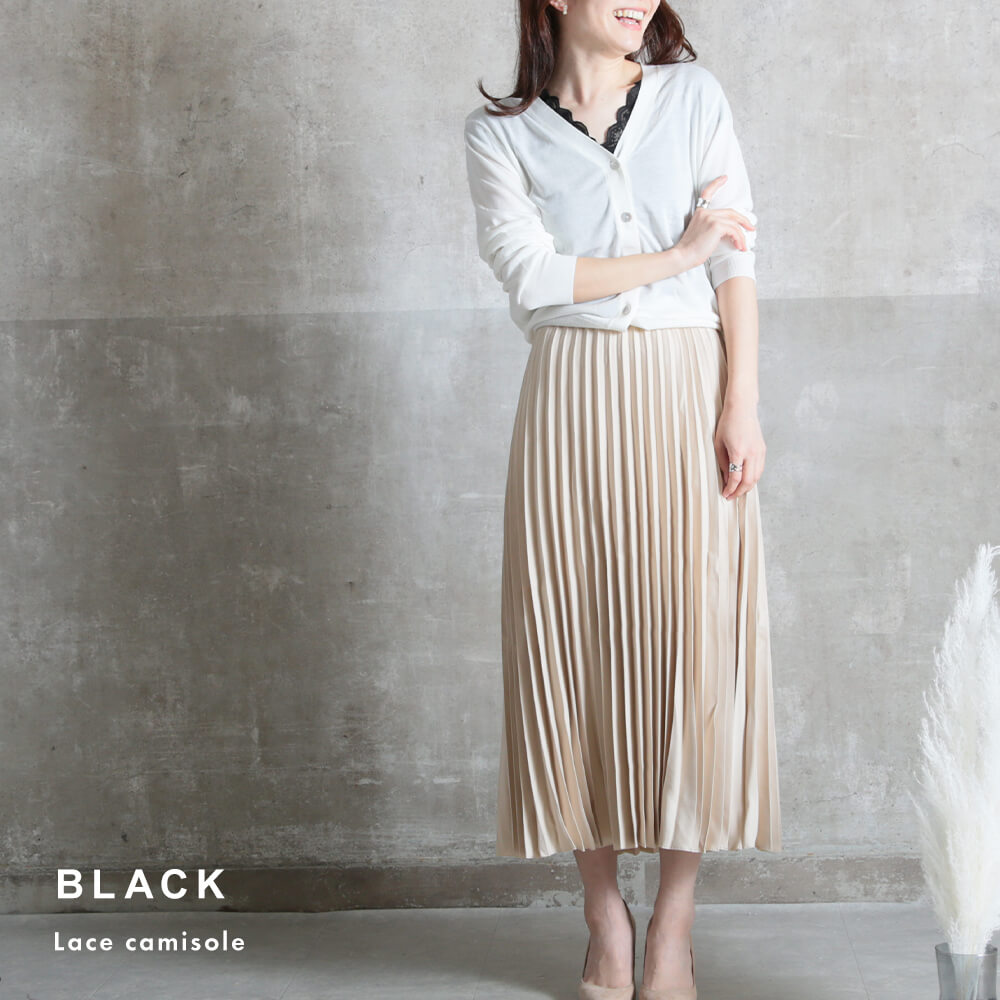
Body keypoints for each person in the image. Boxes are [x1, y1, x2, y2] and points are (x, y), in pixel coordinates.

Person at [462, 3, 782, 998]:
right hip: (570, 393)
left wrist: (740, 401)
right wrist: (675, 255)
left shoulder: (693, 96)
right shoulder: (500, 134)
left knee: (695, 644)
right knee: (570, 644)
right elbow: (534, 275)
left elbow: (734, 255)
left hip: (689, 385)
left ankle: (673, 924)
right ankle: (603, 914)